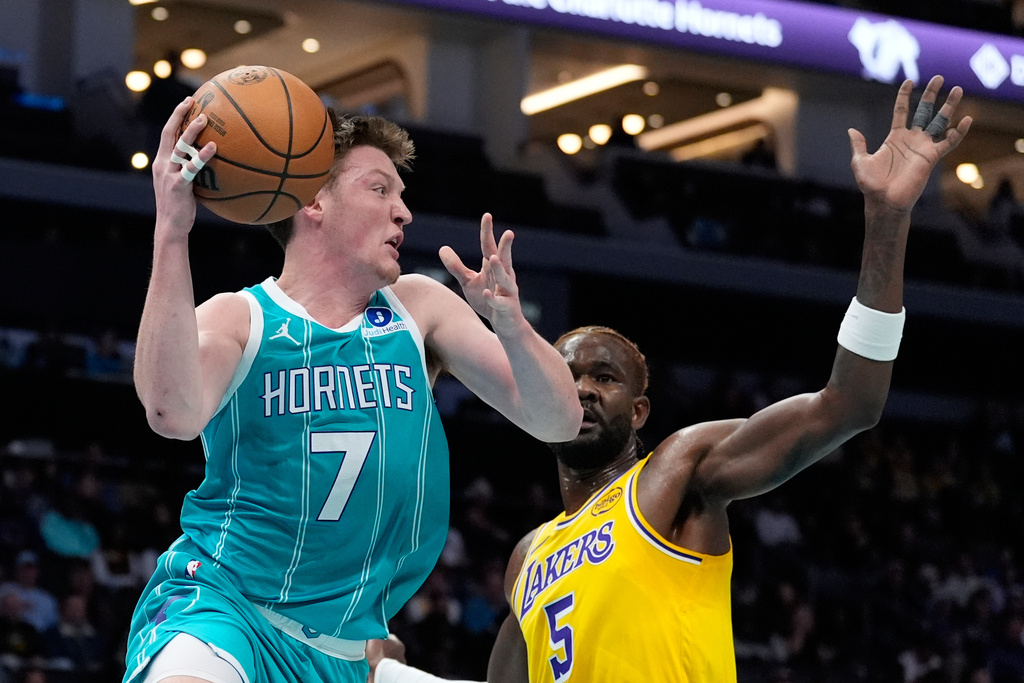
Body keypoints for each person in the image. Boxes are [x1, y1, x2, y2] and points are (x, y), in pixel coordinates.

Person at [369, 75, 972, 683]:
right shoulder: (528, 556)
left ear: (638, 412)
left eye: (604, 378)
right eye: (568, 372)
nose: (580, 387)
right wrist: (381, 672)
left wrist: (888, 220)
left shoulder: (677, 471)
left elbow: (848, 404)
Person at [122, 95, 582, 683]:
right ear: (313, 199)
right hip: (222, 609)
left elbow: (559, 422)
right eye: (380, 189)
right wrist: (171, 230)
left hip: (342, 649)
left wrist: (512, 326)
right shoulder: (241, 319)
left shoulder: (418, 309)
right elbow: (169, 412)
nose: (403, 213)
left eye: (403, 195)